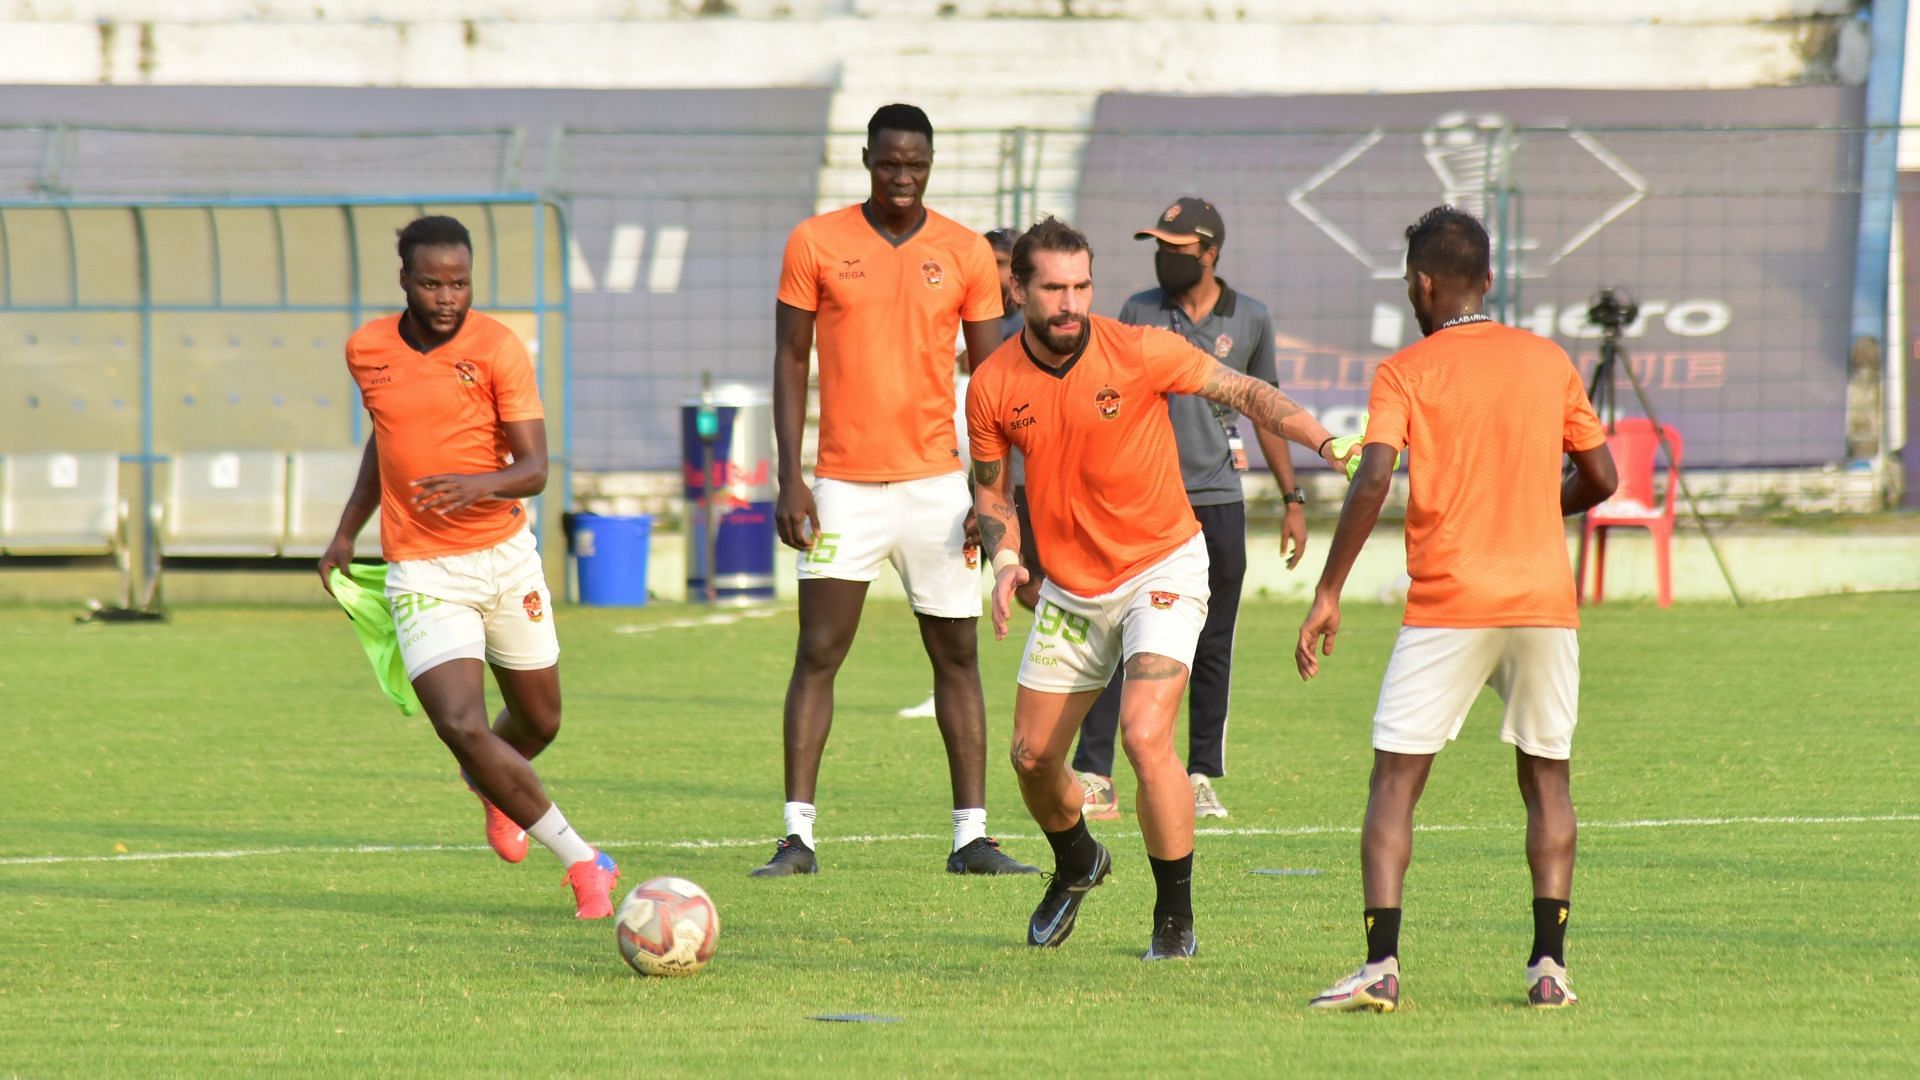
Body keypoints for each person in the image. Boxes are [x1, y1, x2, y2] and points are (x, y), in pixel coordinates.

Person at [968, 217, 1345, 958]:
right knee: (1033, 760)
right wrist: (1007, 556)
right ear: (1018, 289)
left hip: (1162, 568)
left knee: (1144, 735)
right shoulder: (991, 386)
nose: (1071, 302)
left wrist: (1327, 443)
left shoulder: (1140, 350)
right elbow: (990, 495)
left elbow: (1247, 391)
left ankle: (1174, 917)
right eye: (1053, 288)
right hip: (1073, 590)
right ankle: (1078, 858)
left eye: (1081, 285)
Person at [1298, 206, 1617, 1011]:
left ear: (1423, 283)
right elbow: (1604, 476)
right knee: (1547, 779)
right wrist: (1544, 511)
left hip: (1449, 603)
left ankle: (1380, 967)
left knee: (1396, 782)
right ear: (1489, 280)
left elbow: (1372, 478)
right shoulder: (1548, 361)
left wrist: (1329, 589)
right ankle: (1550, 968)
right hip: (1543, 603)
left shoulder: (1408, 369)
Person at [758, 104, 1038, 877]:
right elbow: (789, 357)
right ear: (867, 159)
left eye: (916, 163)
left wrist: (992, 499)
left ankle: (971, 837)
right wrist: (792, 476)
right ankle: (796, 837)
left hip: (937, 490)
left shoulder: (964, 252)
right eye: (890, 162)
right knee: (818, 652)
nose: (903, 175)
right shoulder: (815, 242)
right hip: (843, 485)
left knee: (956, 658)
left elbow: (995, 385)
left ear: (931, 162)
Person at [317, 215, 620, 919]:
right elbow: (386, 441)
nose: (447, 297)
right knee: (459, 721)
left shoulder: (498, 348)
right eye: (432, 283)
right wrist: (345, 533)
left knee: (538, 722)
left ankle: (491, 783)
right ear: (404, 281)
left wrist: (475, 485)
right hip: (422, 569)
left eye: (459, 283)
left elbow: (536, 469)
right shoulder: (367, 350)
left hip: (504, 559)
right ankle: (584, 862)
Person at [1071, 197, 1308, 824]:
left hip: (1218, 502)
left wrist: (1292, 499)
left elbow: (1266, 410)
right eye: (1159, 246)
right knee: (1118, 636)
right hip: (1140, 505)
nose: (1163, 258)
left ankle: (1201, 775)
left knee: (1213, 643)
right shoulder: (1137, 312)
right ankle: (1095, 774)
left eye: (1177, 248)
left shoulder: (1251, 318)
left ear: (1210, 254)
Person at [899, 226, 1028, 720]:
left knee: (1038, 588)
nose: (992, 273)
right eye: (987, 261)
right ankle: (946, 690)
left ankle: (1088, 674)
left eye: (1001, 262)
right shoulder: (952, 319)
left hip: (1014, 479)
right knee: (953, 592)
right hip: (957, 476)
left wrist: (994, 488)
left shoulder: (1025, 329)